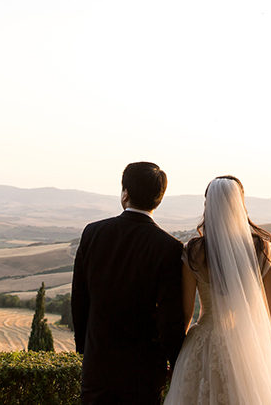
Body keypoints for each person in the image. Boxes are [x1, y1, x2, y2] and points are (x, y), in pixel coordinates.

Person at [164, 176, 271, 404]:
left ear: (208, 206)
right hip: (247, 344)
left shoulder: (194, 252)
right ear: (240, 204)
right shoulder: (261, 250)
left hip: (203, 345)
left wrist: (176, 357)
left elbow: (185, 313)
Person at [72, 162, 185, 404]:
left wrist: (85, 348)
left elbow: (79, 298)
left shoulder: (92, 233)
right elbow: (170, 317)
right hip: (143, 369)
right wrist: (175, 362)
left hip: (98, 363)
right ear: (159, 199)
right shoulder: (169, 248)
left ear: (125, 194)